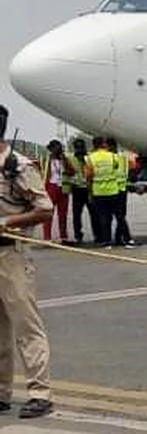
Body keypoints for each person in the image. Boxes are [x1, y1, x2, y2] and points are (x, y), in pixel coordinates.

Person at [0, 105, 55, 418]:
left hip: (13, 253)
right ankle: (1, 393)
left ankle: (40, 393)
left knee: (26, 327)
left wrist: (8, 222)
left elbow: (45, 209)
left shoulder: (18, 166)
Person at [84, 137, 119, 247]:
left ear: (93, 145)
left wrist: (89, 192)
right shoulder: (112, 156)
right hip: (113, 190)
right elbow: (116, 167)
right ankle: (116, 238)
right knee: (113, 216)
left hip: (99, 191)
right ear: (104, 144)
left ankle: (105, 240)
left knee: (102, 217)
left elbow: (88, 176)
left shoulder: (90, 158)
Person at [63, 139, 90, 244]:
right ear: (75, 148)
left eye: (81, 147)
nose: (80, 149)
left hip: (88, 189)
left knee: (94, 214)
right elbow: (68, 172)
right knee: (77, 215)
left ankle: (98, 235)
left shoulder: (89, 158)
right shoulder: (70, 158)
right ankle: (78, 235)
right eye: (78, 147)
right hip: (77, 189)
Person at [41, 140, 68, 243]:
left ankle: (63, 236)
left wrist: (65, 160)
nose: (59, 150)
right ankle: (47, 237)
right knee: (48, 213)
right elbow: (41, 173)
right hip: (51, 187)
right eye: (57, 148)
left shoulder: (64, 159)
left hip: (63, 187)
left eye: (60, 147)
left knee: (63, 213)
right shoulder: (46, 159)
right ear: (51, 149)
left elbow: (71, 171)